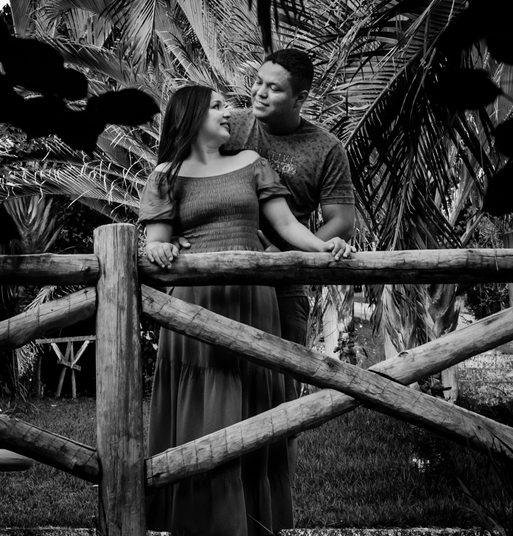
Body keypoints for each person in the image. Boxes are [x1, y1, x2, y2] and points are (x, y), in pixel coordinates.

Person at [139, 85, 354, 536]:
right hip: (195, 306)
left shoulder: (253, 165)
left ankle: (253, 523)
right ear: (192, 116)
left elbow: (286, 225)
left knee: (255, 402)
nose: (228, 113)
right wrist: (160, 250)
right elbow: (156, 242)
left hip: (254, 301)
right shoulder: (165, 174)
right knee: (208, 407)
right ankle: (205, 521)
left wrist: (324, 245)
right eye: (217, 106)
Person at [222, 49, 357, 396]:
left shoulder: (326, 148)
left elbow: (342, 221)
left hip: (286, 279)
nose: (259, 93)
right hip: (221, 271)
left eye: (274, 88)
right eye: (257, 82)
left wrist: (287, 253)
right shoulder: (230, 127)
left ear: (300, 98)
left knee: (280, 386)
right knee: (224, 380)